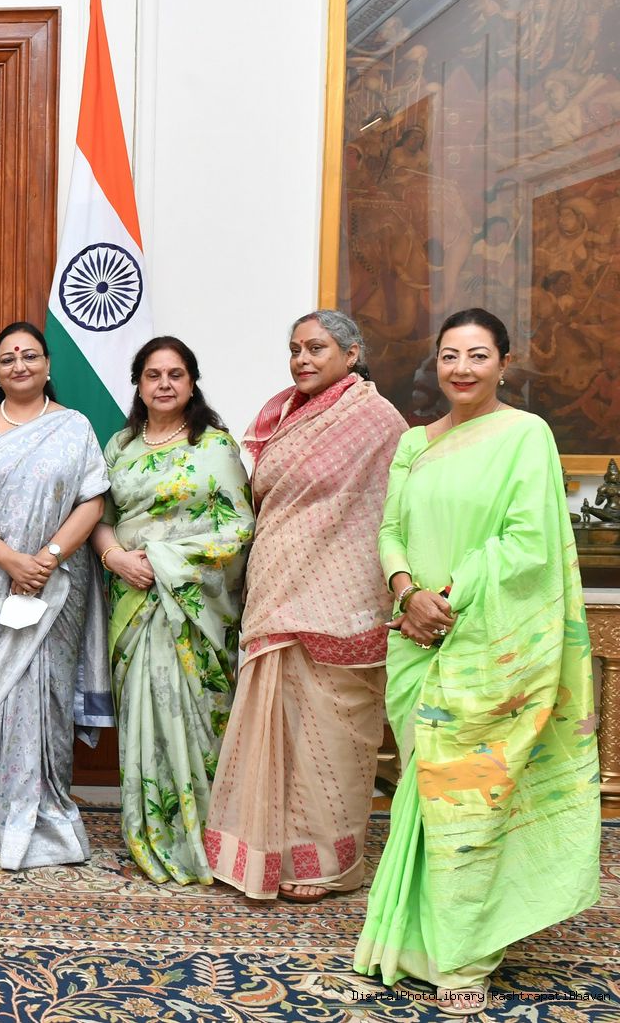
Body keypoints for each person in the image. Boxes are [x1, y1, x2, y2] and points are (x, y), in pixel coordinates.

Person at [353, 308, 599, 1015]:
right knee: (423, 794)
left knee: (470, 799)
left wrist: (448, 599)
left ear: (504, 363)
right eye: (450, 355)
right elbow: (390, 530)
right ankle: (413, 943)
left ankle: (464, 954)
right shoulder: (413, 443)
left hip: (485, 644)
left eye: (478, 355)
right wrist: (408, 593)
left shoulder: (526, 435)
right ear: (435, 363)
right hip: (415, 641)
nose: (462, 368)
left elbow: (528, 543)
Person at [203, 311, 406, 902]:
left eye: (316, 348)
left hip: (342, 595)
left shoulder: (376, 420)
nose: (302, 359)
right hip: (277, 584)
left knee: (333, 728)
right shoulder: (283, 414)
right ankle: (267, 854)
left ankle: (325, 861)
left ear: (352, 352)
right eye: (295, 349)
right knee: (279, 725)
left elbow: (393, 508)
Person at [89, 336, 253, 886]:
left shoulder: (216, 447)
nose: (164, 384)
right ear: (138, 384)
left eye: (175, 374)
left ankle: (206, 835)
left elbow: (239, 528)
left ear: (192, 382)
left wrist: (164, 560)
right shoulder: (120, 446)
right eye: (153, 375)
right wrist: (115, 558)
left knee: (197, 717)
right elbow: (100, 517)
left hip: (192, 604)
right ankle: (152, 829)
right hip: (133, 599)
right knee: (145, 711)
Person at [0, 321, 111, 870]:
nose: (19, 365)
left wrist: (47, 558)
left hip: (56, 581)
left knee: (49, 694)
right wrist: (8, 559)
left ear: (47, 365)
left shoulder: (75, 426)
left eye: (29, 355)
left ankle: (49, 807)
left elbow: (93, 501)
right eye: (7, 358)